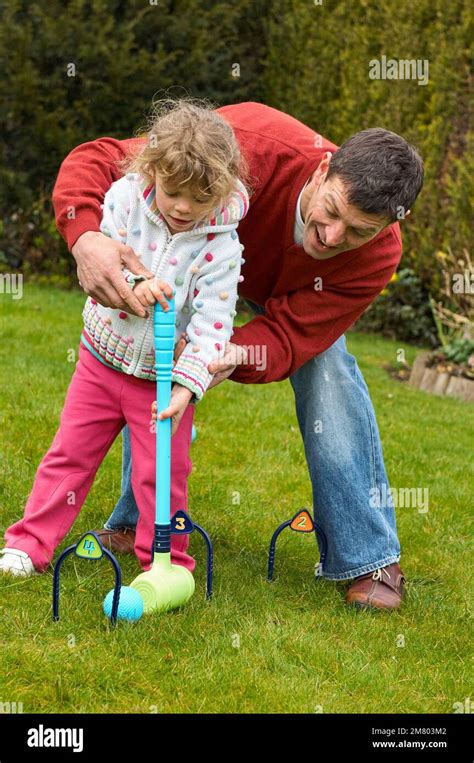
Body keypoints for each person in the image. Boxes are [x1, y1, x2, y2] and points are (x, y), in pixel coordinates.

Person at [49, 102, 424, 610]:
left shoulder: (378, 255)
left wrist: (227, 355)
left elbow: (294, 335)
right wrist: (86, 236)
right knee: (161, 332)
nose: (333, 238)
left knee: (328, 364)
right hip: (201, 273)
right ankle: (140, 523)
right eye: (331, 212)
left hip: (287, 298)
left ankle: (369, 555)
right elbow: (101, 158)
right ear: (321, 170)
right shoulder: (252, 142)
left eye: (358, 232)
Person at [0, 99, 250, 577]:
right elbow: (108, 265)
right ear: (153, 169)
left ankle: (166, 561)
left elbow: (213, 327)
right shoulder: (123, 199)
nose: (183, 207)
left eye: (199, 199)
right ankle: (29, 545)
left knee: (164, 476)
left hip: (163, 384)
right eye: (174, 191)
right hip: (100, 360)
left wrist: (187, 387)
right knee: (70, 456)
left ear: (220, 190)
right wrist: (136, 286)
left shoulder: (222, 246)